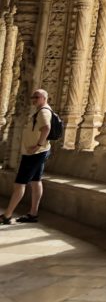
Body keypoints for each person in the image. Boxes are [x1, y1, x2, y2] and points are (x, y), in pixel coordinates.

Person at [1, 89, 52, 225]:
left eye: (36, 97)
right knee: (36, 181)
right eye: (32, 97)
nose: (33, 99)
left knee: (19, 184)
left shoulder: (44, 112)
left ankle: (7, 216)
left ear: (43, 98)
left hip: (34, 154)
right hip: (39, 152)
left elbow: (47, 128)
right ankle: (33, 214)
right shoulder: (42, 111)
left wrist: (37, 145)